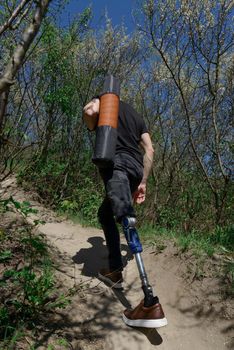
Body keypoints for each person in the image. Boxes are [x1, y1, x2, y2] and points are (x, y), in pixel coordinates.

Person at [83, 96, 167, 328]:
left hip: (116, 163)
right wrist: (143, 181)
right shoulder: (136, 116)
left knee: (125, 217)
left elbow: (91, 113)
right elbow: (150, 149)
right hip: (136, 169)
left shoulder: (103, 100)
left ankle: (149, 302)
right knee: (105, 213)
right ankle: (114, 270)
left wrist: (90, 117)